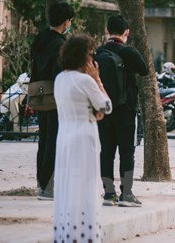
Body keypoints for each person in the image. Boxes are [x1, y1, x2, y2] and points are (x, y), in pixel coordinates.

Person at [52, 35, 113, 241]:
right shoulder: (86, 80)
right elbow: (106, 106)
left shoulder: (60, 78)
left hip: (65, 138)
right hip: (84, 137)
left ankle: (67, 232)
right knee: (85, 185)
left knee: (69, 184)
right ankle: (85, 234)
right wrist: (97, 79)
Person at [95, 15, 149, 207]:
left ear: (106, 31)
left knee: (106, 152)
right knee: (127, 152)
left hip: (104, 109)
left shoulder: (99, 52)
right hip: (126, 109)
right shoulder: (129, 52)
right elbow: (144, 71)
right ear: (127, 32)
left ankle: (108, 193)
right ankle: (126, 193)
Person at [30, 1, 74, 200]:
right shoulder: (59, 44)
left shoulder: (40, 39)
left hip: (39, 94)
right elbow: (59, 73)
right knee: (54, 140)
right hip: (55, 95)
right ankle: (49, 186)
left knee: (44, 138)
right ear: (66, 21)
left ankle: (42, 181)